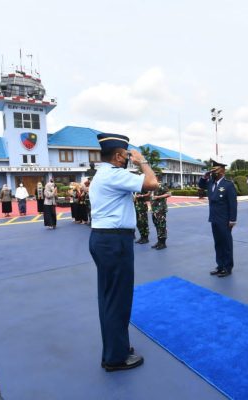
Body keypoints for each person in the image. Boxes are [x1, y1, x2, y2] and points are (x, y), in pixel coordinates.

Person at [89, 133, 158, 371]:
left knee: (110, 298)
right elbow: (152, 183)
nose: (129, 158)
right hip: (114, 242)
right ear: (118, 156)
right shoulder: (115, 174)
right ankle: (115, 358)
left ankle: (115, 347)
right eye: (127, 155)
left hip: (104, 239)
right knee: (118, 300)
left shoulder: (103, 174)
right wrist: (143, 162)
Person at [198, 160, 238, 277]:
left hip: (225, 220)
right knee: (218, 243)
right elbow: (201, 185)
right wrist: (205, 176)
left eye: (216, 170)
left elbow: (233, 203)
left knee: (226, 244)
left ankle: (227, 267)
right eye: (213, 170)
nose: (214, 172)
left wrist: (232, 219)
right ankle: (220, 265)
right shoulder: (210, 183)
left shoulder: (228, 184)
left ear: (222, 171)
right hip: (214, 218)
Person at [150, 173, 171, 250]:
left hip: (160, 209)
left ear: (157, 177)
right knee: (157, 225)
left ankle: (163, 243)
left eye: (153, 176)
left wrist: (158, 197)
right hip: (154, 209)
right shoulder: (153, 186)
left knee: (161, 225)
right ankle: (159, 241)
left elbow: (169, 194)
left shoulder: (161, 185)